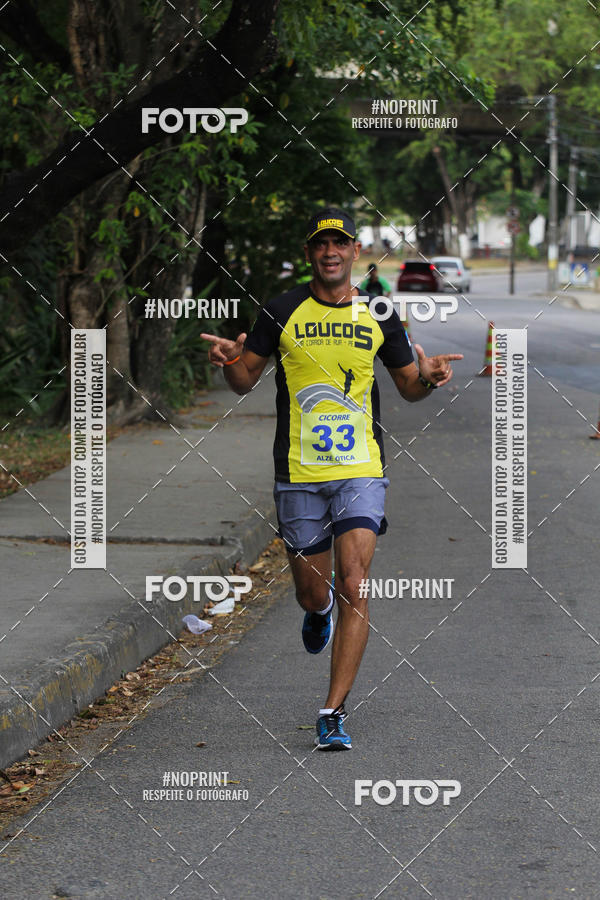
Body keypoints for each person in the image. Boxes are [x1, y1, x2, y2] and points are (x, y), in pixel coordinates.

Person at [201, 206, 462, 751]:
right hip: (297, 473)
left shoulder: (379, 310)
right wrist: (228, 360)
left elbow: (408, 386)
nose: (331, 253)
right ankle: (316, 613)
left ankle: (332, 711)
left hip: (361, 469)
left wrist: (431, 380)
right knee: (313, 592)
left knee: (354, 584)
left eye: (340, 244)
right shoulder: (282, 309)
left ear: (354, 252)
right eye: (321, 245)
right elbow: (244, 382)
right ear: (310, 254)